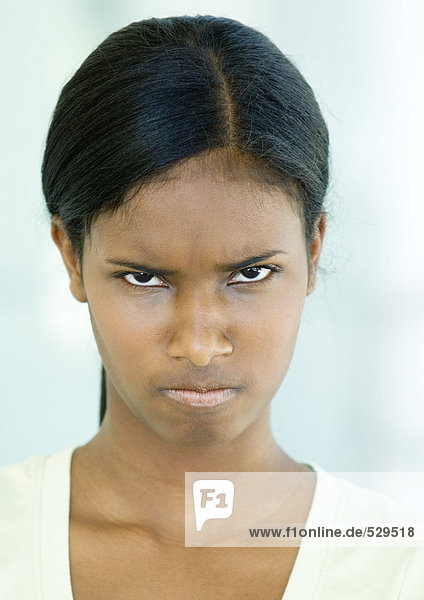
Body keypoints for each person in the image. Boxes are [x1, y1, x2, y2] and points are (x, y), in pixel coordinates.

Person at [0, 15, 422, 600]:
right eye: (144, 278)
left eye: (251, 273)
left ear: (313, 249)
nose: (198, 345)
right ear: (71, 256)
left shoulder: (397, 570)